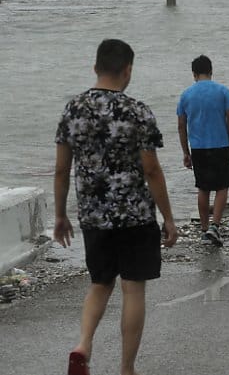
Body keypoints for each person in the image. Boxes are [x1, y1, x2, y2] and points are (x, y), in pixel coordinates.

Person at [53, 39, 178, 375]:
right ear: (128, 70)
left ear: (95, 67)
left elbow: (62, 169)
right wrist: (168, 217)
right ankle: (126, 368)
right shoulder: (137, 111)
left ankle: (83, 344)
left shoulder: (73, 110)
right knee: (133, 288)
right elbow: (151, 169)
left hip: (93, 214)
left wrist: (61, 214)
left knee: (100, 282)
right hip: (135, 215)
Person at [177, 55, 229, 247]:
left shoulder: (186, 95)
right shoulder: (223, 91)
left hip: (198, 147)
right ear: (211, 71)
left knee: (203, 188)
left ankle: (204, 229)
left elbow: (181, 125)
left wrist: (185, 152)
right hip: (220, 144)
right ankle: (215, 226)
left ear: (194, 74)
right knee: (222, 186)